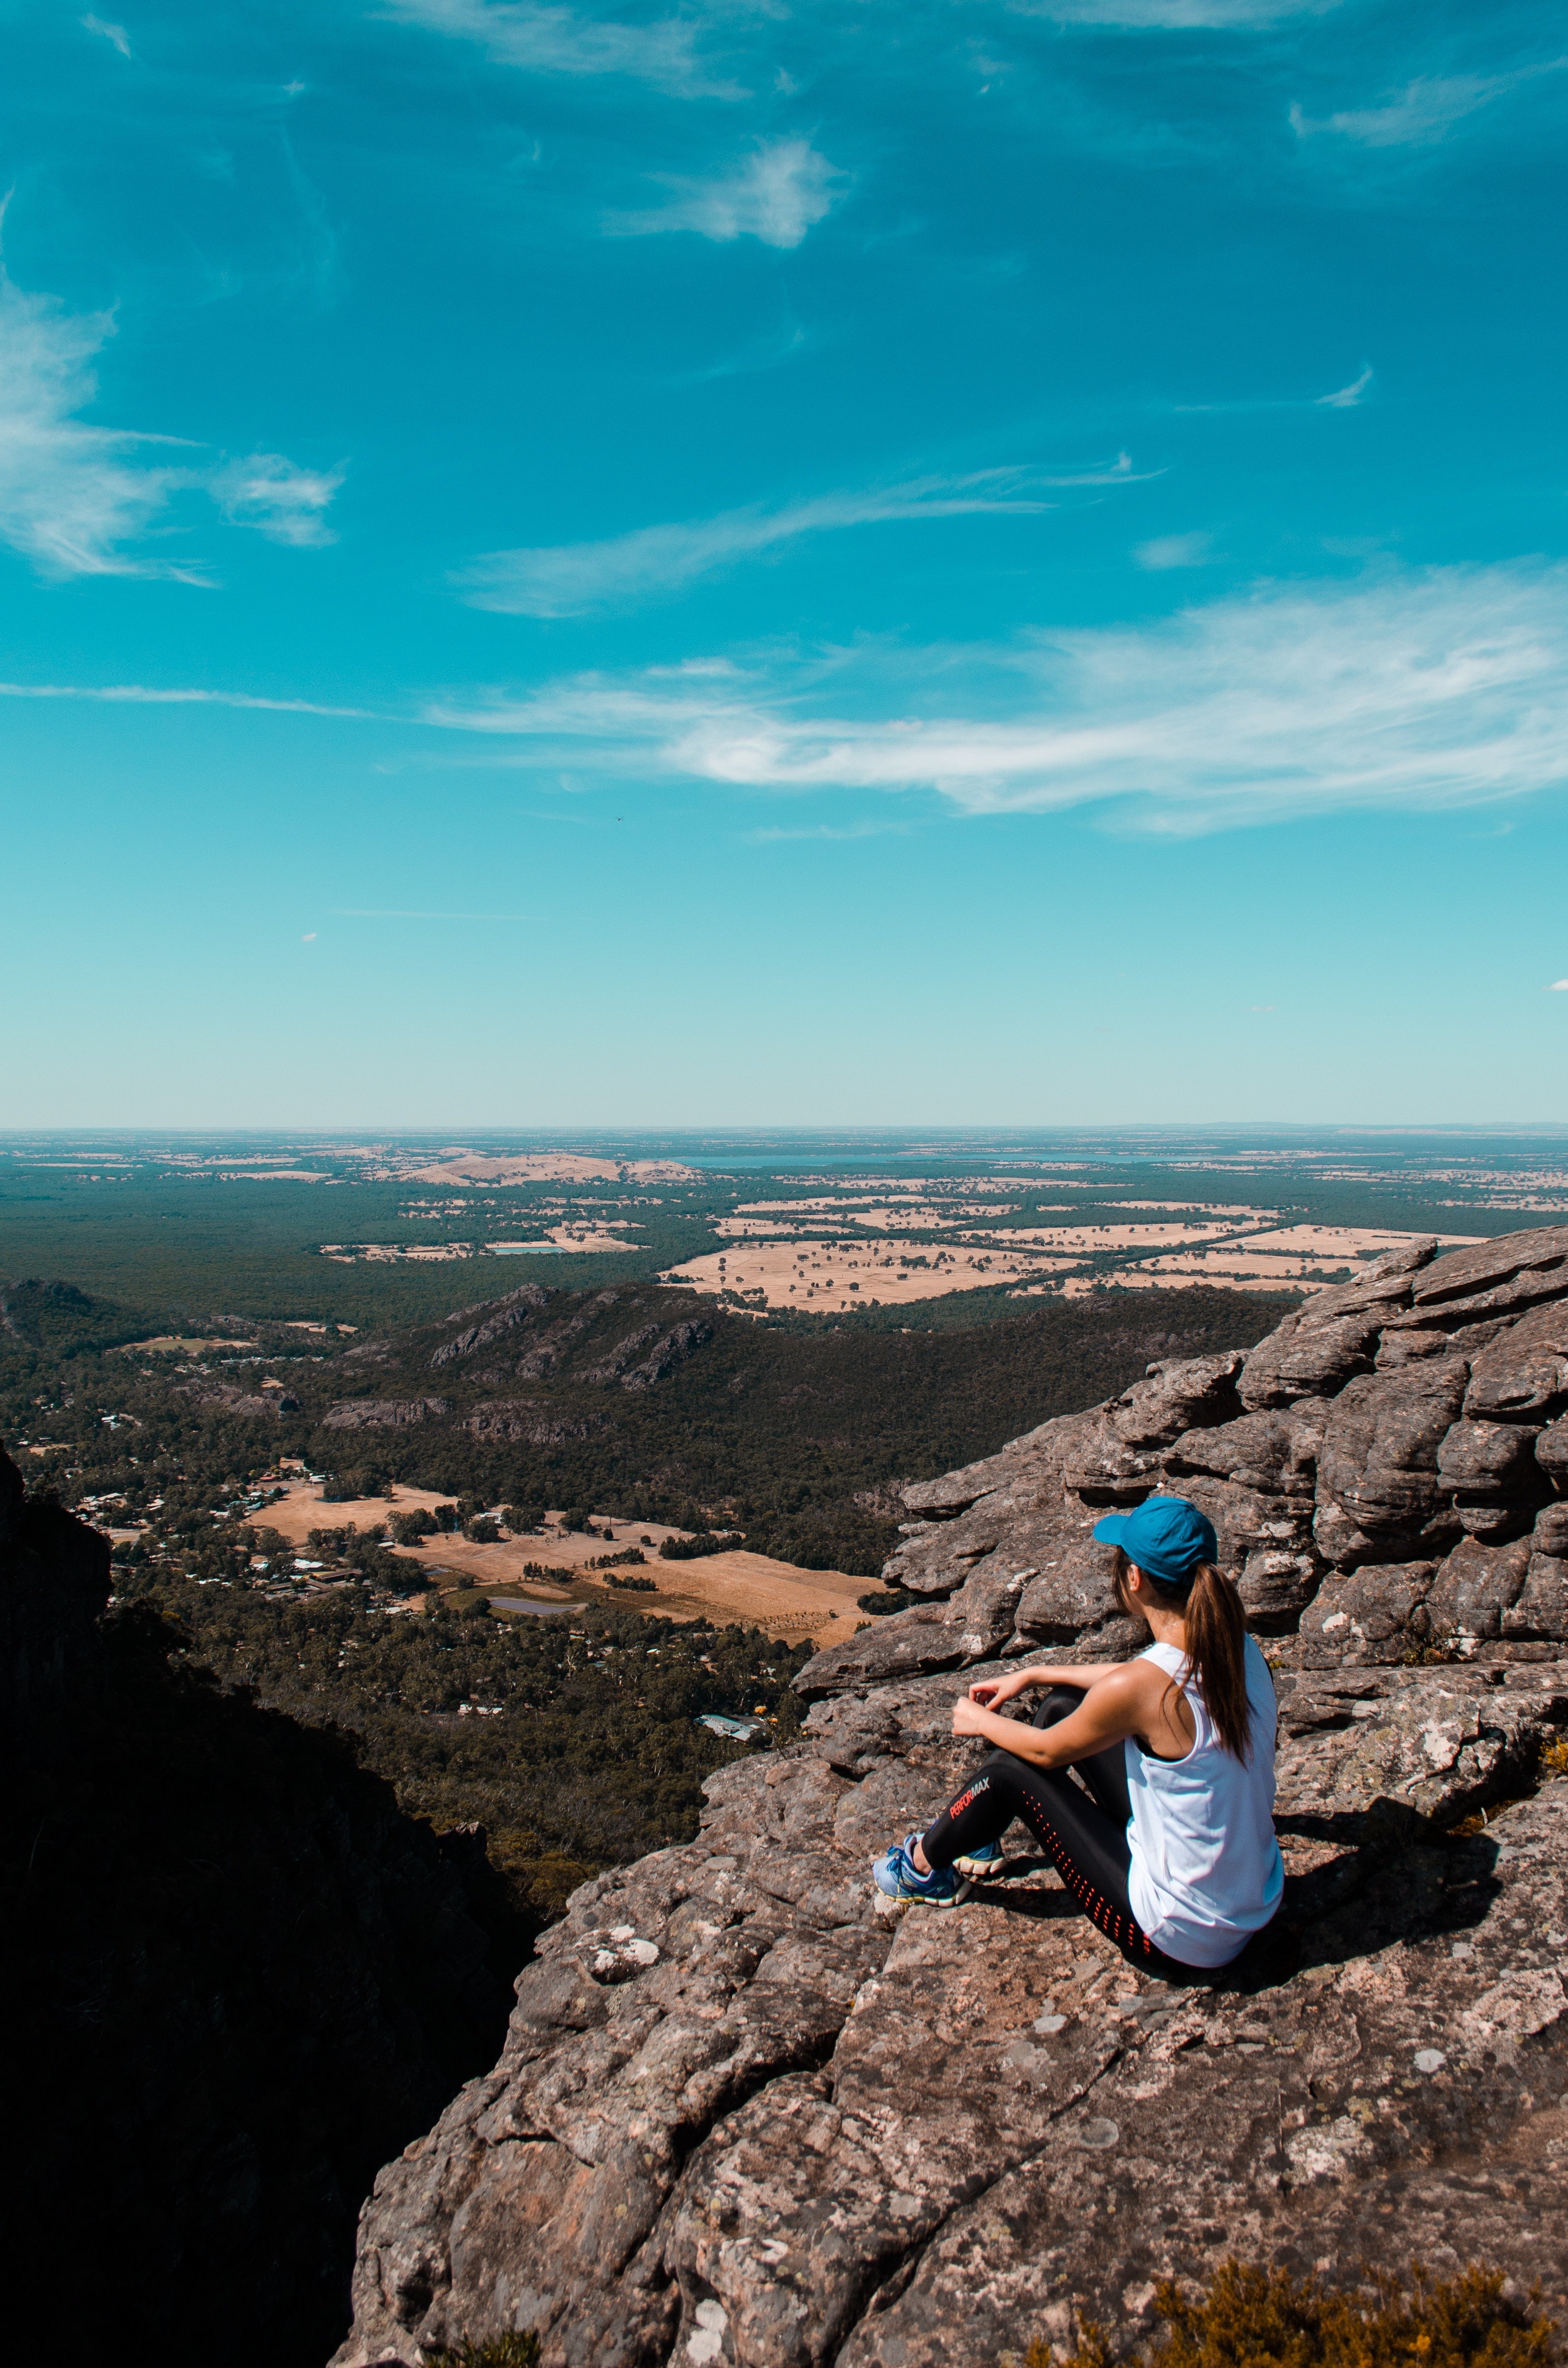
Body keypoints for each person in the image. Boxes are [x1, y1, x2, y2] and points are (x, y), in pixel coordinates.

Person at [872, 1495, 1284, 1971]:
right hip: (1244, 1902)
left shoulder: (1147, 1688)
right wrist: (1037, 1673)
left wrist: (979, 1721)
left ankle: (921, 1869)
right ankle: (974, 1835)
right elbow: (1135, 1681)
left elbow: (1049, 1751)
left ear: (1135, 1579)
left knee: (1009, 1770)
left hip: (1179, 1936)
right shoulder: (1238, 1648)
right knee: (1060, 1706)